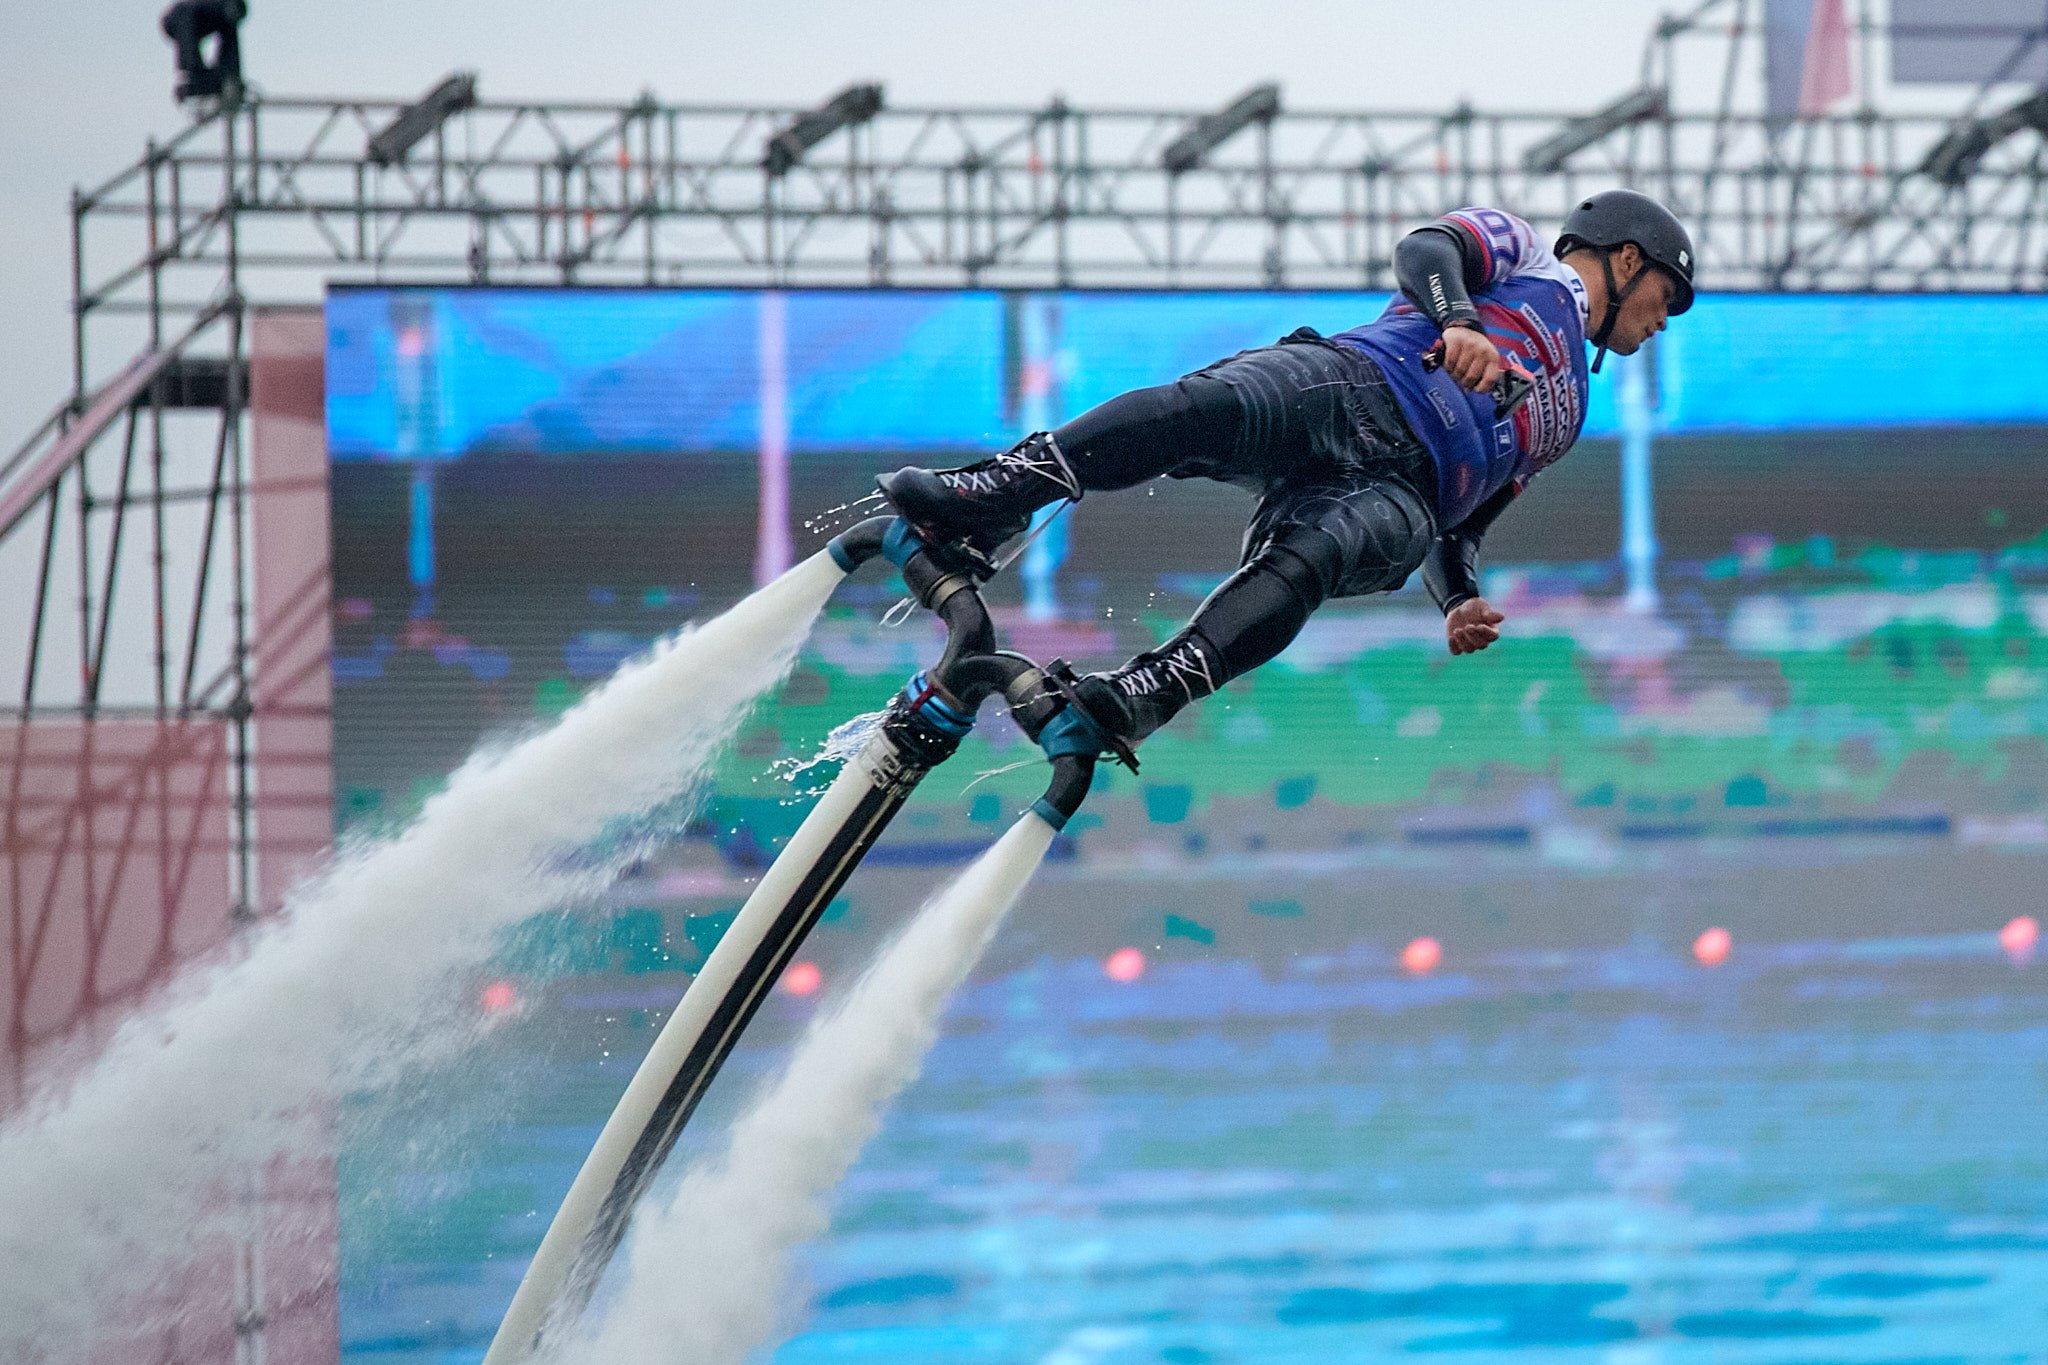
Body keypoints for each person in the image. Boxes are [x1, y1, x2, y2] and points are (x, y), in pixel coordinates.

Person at [877, 189, 1694, 754]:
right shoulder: (1527, 255)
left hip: (1403, 500)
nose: (1666, 318)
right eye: (1667, 293)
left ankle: (1146, 694)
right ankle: (995, 497)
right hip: (1358, 386)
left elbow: (1465, 526)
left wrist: (1460, 596)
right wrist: (1459, 321)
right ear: (1625, 258)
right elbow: (1426, 248)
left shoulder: (1574, 412)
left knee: (1312, 557)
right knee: (1195, 412)